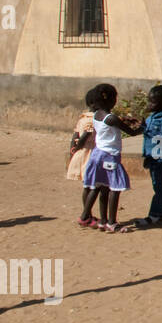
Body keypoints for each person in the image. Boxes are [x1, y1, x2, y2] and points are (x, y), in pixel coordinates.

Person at [81, 83, 143, 233]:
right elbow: (132, 132)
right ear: (111, 100)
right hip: (109, 156)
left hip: (98, 153)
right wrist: (143, 126)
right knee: (114, 189)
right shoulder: (111, 118)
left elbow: (112, 124)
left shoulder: (97, 115)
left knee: (101, 187)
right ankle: (112, 222)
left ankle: (101, 221)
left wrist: (124, 121)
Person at [136, 84, 162, 226]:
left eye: (153, 102)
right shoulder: (150, 118)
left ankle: (154, 215)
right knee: (159, 186)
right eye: (149, 101)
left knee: (159, 188)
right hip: (151, 157)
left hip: (159, 159)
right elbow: (147, 135)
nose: (150, 104)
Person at [69, 95, 97, 226]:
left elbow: (75, 135)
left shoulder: (83, 117)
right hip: (89, 153)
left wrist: (73, 151)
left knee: (87, 186)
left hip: (81, 153)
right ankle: (86, 215)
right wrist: (79, 146)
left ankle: (88, 214)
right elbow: (85, 135)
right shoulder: (92, 119)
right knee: (92, 186)